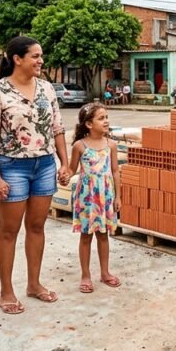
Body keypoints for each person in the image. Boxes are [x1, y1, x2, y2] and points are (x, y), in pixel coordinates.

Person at [0, 36, 71, 315]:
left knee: (37, 227)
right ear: (17, 59)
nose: (40, 61)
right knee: (9, 231)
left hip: (44, 165)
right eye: (35, 56)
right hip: (11, 167)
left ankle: (34, 284)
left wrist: (64, 164)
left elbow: (57, 128)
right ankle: (6, 291)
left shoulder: (47, 88)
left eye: (41, 56)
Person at [62, 102, 121, 293]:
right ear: (88, 124)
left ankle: (105, 273)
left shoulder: (111, 145)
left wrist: (118, 197)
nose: (106, 121)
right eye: (101, 118)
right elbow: (72, 169)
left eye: (107, 117)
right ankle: (85, 275)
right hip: (86, 199)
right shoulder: (79, 146)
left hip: (105, 197)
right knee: (86, 237)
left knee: (103, 235)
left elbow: (115, 171)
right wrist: (65, 175)